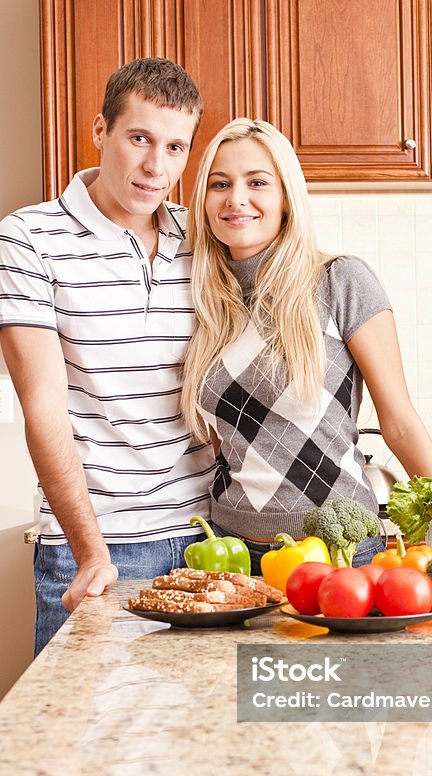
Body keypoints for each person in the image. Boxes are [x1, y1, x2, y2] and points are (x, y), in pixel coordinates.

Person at [0, 58, 215, 655]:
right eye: (139, 138)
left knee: (201, 739)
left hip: (204, 541)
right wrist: (91, 552)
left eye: (175, 147)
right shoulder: (28, 237)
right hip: (94, 547)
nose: (156, 166)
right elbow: (41, 407)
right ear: (101, 130)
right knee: (79, 737)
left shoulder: (200, 239)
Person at [181, 118, 432, 574]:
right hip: (230, 555)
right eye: (219, 183)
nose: (235, 198)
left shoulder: (340, 281)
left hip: (338, 553)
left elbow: (399, 422)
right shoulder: (204, 299)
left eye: (257, 182)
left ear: (286, 198)